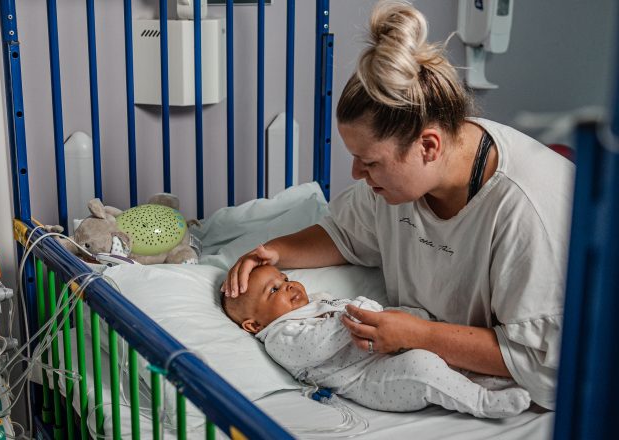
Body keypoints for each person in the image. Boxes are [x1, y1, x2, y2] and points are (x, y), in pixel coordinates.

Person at [222, 0, 572, 410]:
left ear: (428, 145)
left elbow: (545, 367)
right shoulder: (401, 183)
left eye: (369, 162)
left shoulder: (522, 213)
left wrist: (418, 336)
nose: (355, 174)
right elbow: (344, 232)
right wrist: (273, 251)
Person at [222, 265, 531, 418]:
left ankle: (477, 380)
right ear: (253, 324)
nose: (289, 286)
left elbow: (354, 312)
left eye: (285, 278)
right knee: (421, 368)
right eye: (274, 291)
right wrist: (362, 314)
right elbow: (319, 345)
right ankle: (482, 403)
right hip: (370, 379)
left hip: (384, 348)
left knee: (432, 336)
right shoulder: (280, 336)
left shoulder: (316, 302)